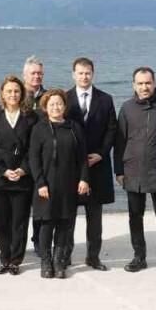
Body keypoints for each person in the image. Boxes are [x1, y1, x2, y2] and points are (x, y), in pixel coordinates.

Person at [115, 67, 156, 275]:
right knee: (135, 216)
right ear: (134, 85)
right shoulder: (127, 108)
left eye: (147, 83)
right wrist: (119, 170)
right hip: (132, 170)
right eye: (140, 83)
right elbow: (119, 141)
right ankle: (139, 257)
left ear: (154, 83)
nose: (144, 87)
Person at [29, 90, 90, 279]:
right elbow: (33, 159)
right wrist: (40, 183)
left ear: (65, 106)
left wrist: (84, 179)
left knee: (64, 225)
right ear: (45, 107)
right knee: (47, 225)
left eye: (59, 103)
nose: (56, 107)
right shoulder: (39, 129)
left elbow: (82, 157)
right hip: (46, 185)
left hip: (69, 184)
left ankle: (58, 261)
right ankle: (46, 262)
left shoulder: (74, 127)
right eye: (52, 104)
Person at [63, 57, 116, 270]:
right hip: (71, 168)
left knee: (95, 218)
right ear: (73, 74)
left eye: (88, 73)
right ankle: (65, 256)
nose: (84, 77)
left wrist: (101, 154)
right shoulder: (64, 99)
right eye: (80, 73)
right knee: (68, 217)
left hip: (97, 165)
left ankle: (93, 257)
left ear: (93, 74)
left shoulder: (106, 99)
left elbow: (112, 130)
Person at [0, 75, 37, 275]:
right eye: (9, 91)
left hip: (23, 178)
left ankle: (15, 260)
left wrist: (23, 169)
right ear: (2, 94)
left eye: (16, 91)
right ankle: (4, 258)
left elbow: (34, 148)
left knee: (19, 222)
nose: (13, 94)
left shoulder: (31, 117)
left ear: (21, 94)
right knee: (1, 223)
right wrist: (3, 171)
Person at [21, 55, 48, 256]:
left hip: (42, 160)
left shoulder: (49, 97)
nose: (36, 76)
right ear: (25, 75)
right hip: (20, 160)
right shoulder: (16, 95)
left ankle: (39, 240)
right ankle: (18, 244)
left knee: (41, 205)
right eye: (33, 73)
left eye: (39, 73)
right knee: (21, 207)